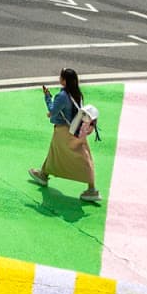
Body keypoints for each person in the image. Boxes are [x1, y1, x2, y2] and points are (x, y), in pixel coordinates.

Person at [29, 68, 101, 203]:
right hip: (77, 131)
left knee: (55, 153)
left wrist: (47, 97)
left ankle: (43, 175)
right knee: (84, 157)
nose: (59, 79)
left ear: (64, 81)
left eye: (61, 77)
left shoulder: (62, 96)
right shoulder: (78, 94)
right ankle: (91, 188)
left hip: (63, 131)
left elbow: (52, 111)